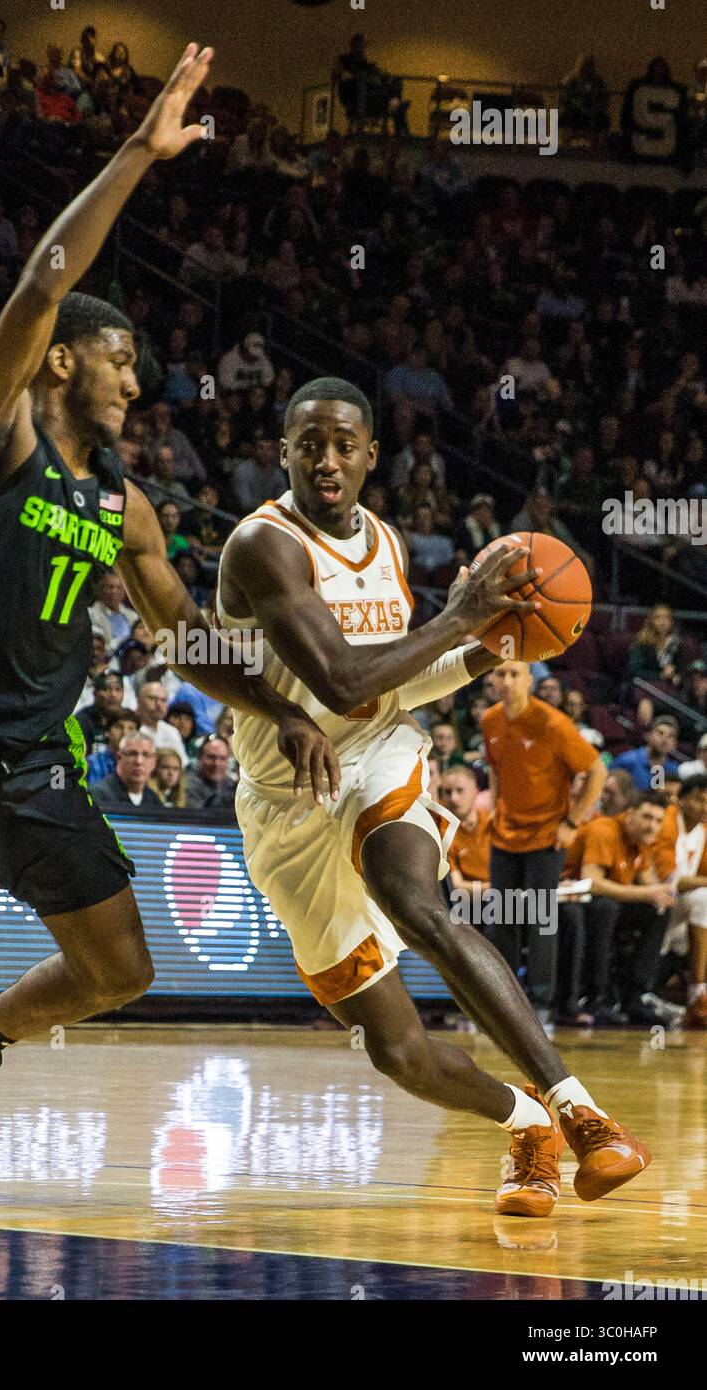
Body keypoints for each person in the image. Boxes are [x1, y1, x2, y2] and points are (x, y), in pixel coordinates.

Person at [0, 45, 335, 1226]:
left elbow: (183, 636)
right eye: (120, 359)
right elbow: (37, 284)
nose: (137, 380)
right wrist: (136, 153)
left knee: (121, 970)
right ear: (64, 359)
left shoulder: (128, 506)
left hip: (32, 748)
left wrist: (284, 711)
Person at [215, 375, 648, 1219]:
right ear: (284, 455)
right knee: (398, 1051)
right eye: (309, 444)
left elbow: (392, 692)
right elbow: (341, 681)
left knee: (417, 901)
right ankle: (526, 1126)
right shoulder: (262, 546)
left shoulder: (386, 540)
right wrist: (461, 621)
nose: (327, 460)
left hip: (378, 758)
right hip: (286, 802)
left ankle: (580, 1110)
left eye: (345, 444)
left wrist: (490, 649)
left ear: (373, 455)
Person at [483, 660, 606, 1016]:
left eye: (513, 674)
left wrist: (572, 820)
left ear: (529, 680)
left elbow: (596, 770)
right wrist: (495, 807)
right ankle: (502, 998)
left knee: (539, 916)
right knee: (503, 916)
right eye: (500, 673)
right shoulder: (490, 719)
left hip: (547, 834)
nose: (506, 681)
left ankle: (540, 999)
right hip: (505, 832)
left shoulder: (553, 723)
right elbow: (495, 769)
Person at [560, 791, 677, 1025]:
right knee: (606, 909)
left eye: (657, 821)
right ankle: (596, 997)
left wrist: (661, 894)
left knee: (656, 912)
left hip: (605, 905)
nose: (651, 826)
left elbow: (650, 886)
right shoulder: (604, 831)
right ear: (630, 814)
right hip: (570, 899)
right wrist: (648, 892)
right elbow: (591, 882)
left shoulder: (641, 843)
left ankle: (634, 996)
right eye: (646, 817)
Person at [652, 775, 707, 1030]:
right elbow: (669, 879)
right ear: (681, 800)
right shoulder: (666, 822)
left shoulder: (704, 831)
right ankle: (697, 992)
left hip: (681, 911)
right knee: (703, 898)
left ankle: (697, 992)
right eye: (699, 800)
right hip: (656, 899)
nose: (705, 807)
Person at [441, 765, 490, 892]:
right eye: (447, 792)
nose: (454, 798)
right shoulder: (444, 834)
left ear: (475, 792)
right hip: (472, 906)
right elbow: (457, 885)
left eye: (460, 790)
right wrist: (496, 889)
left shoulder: (493, 822)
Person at [91, 731, 163, 811]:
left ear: (154, 762)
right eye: (133, 754)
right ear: (119, 758)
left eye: (146, 755)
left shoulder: (154, 800)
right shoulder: (99, 795)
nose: (139, 761)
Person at [610, 716, 682, 791]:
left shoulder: (673, 771)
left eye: (670, 736)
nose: (664, 739)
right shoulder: (627, 760)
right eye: (660, 733)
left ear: (675, 744)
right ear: (649, 736)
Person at [184, 735, 236, 808]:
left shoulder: (233, 786)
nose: (216, 764)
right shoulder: (186, 784)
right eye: (211, 757)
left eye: (222, 758)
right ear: (199, 758)